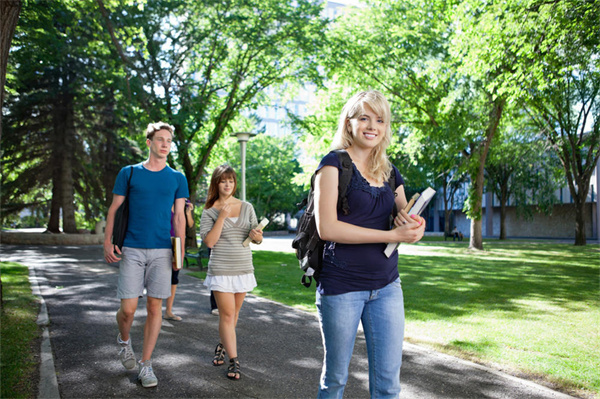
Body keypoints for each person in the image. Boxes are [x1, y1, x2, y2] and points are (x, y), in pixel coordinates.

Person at [313, 90, 426, 398]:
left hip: (387, 286)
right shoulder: (332, 165)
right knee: (335, 379)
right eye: (364, 117)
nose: (372, 126)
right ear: (349, 123)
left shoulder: (389, 170)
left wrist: (416, 227)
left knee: (388, 384)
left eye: (380, 119)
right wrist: (391, 236)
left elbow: (405, 217)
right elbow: (328, 228)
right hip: (342, 286)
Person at [104, 122, 189, 388]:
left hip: (163, 250)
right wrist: (107, 242)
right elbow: (114, 209)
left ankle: (146, 364)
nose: (165, 144)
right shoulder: (129, 173)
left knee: (155, 308)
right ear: (149, 142)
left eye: (169, 140)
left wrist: (181, 249)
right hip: (131, 248)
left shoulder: (177, 178)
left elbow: (180, 218)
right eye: (160, 139)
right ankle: (124, 341)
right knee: (128, 310)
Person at [199, 164, 263, 380]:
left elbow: (257, 238)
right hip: (221, 269)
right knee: (226, 315)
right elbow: (209, 242)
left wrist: (257, 236)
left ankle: (222, 346)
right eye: (223, 180)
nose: (228, 184)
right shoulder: (209, 211)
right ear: (216, 183)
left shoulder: (247, 207)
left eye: (231, 181)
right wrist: (221, 217)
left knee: (233, 315)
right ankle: (234, 362)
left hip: (243, 267)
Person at [164, 200, 196, 321]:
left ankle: (168, 311)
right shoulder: (164, 200)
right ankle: (153, 310)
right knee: (159, 276)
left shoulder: (183, 204)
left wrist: (188, 213)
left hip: (176, 244)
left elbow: (191, 225)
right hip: (162, 243)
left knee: (174, 277)